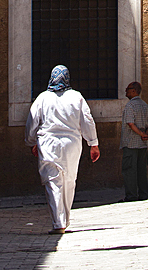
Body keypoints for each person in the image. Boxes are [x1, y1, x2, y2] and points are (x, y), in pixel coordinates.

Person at [25, 65, 100, 233]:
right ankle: (64, 219)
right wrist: (93, 143)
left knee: (53, 182)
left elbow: (32, 122)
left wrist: (31, 142)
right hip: (71, 144)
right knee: (69, 181)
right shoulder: (76, 97)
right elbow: (87, 120)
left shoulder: (43, 98)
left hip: (48, 144)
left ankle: (59, 222)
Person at [120, 81, 148, 201]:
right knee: (142, 171)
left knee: (129, 170)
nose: (126, 91)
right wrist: (146, 134)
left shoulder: (130, 106)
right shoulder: (145, 105)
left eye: (128, 89)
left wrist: (141, 134)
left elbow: (130, 123)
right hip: (143, 144)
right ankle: (144, 194)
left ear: (134, 91)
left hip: (131, 143)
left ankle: (131, 196)